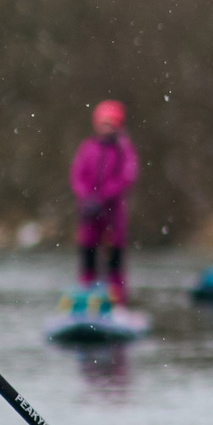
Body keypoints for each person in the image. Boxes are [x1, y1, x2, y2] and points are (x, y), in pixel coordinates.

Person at [70, 101, 138, 304]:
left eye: (110, 123)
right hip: (89, 213)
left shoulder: (123, 150)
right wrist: (86, 197)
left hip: (112, 213)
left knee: (114, 259)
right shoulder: (87, 148)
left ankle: (117, 302)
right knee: (88, 254)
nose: (106, 128)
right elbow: (77, 175)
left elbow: (127, 177)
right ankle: (86, 297)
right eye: (103, 123)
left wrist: (104, 197)